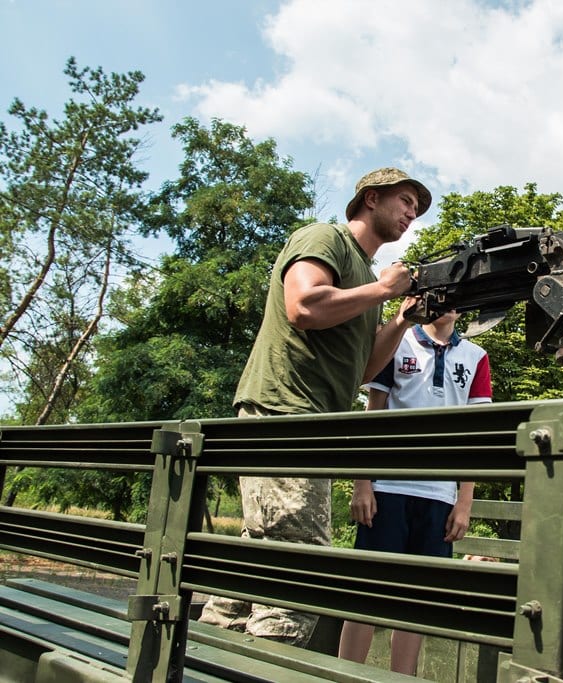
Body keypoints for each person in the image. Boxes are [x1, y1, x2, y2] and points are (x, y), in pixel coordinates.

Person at [198, 167, 432, 647]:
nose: (412, 213)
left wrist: (402, 321)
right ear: (371, 198)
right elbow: (302, 305)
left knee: (258, 562)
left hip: (312, 424)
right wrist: (386, 290)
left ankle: (202, 658)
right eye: (406, 200)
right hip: (284, 415)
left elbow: (362, 370)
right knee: (300, 567)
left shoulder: (365, 280)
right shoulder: (324, 238)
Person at [338, 309, 493, 675]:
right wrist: (363, 483)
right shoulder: (397, 341)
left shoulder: (476, 357)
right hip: (388, 488)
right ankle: (344, 676)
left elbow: (476, 435)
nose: (449, 304)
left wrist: (464, 501)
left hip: (440, 495)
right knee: (367, 593)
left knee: (417, 600)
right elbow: (373, 416)